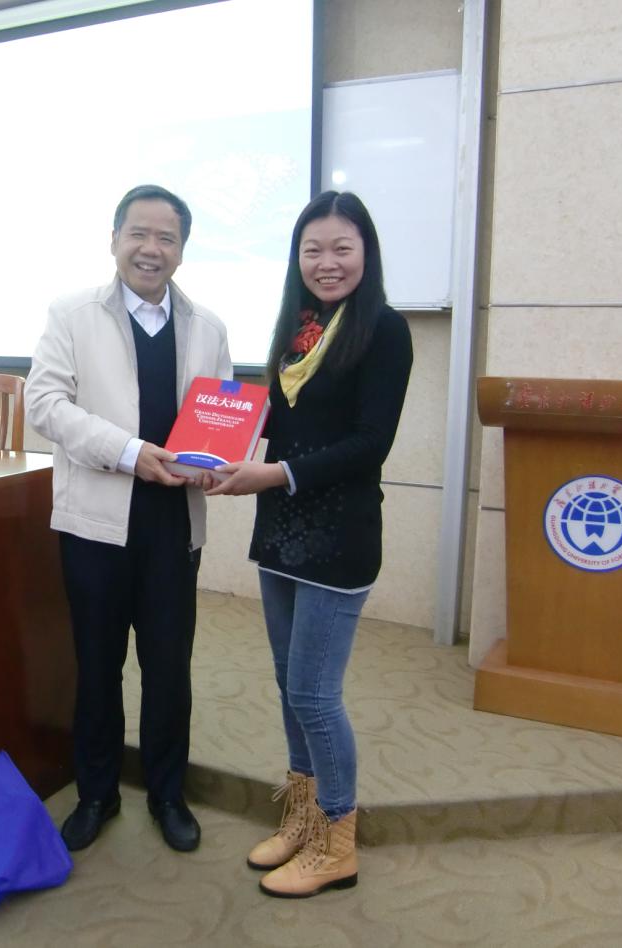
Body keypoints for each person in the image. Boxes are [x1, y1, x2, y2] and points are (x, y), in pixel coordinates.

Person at [206, 191, 412, 897]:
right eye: (312, 249)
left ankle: (336, 842)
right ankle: (302, 817)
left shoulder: (385, 329)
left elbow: (370, 443)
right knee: (287, 683)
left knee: (315, 694)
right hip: (282, 531)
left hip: (339, 537)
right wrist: (217, 433)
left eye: (342, 248)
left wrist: (273, 473)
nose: (327, 262)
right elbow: (285, 416)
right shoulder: (302, 326)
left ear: (366, 253)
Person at [25, 184, 232, 854]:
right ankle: (97, 793)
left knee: (170, 669)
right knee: (97, 666)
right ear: (114, 239)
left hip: (174, 525)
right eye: (138, 233)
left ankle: (169, 795)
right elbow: (45, 404)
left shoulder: (209, 328)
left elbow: (221, 420)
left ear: (182, 250)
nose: (151, 248)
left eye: (166, 237)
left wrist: (218, 463)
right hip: (96, 524)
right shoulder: (72, 314)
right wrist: (128, 452)